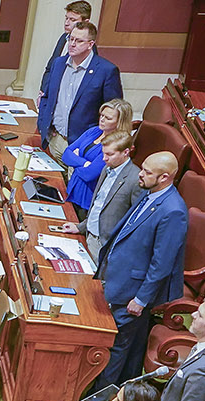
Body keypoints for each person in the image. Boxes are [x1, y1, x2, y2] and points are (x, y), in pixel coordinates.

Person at [36, 19, 123, 157]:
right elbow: (47, 97)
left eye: (79, 41)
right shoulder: (58, 64)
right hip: (54, 139)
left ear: (90, 44)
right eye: (71, 39)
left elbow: (114, 111)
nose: (72, 44)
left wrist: (96, 141)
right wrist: (43, 125)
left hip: (82, 145)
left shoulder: (106, 71)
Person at [60, 98, 135, 209]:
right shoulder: (94, 131)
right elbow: (66, 154)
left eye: (108, 118)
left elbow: (89, 175)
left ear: (120, 122)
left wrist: (75, 160)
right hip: (72, 189)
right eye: (102, 115)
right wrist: (85, 163)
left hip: (86, 200)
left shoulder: (115, 144)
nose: (102, 120)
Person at [81, 130, 140, 262]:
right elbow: (98, 203)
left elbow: (135, 221)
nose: (104, 158)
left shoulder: (135, 179)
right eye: (103, 153)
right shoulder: (106, 168)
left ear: (125, 152)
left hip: (105, 246)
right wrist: (82, 227)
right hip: (89, 234)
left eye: (110, 154)